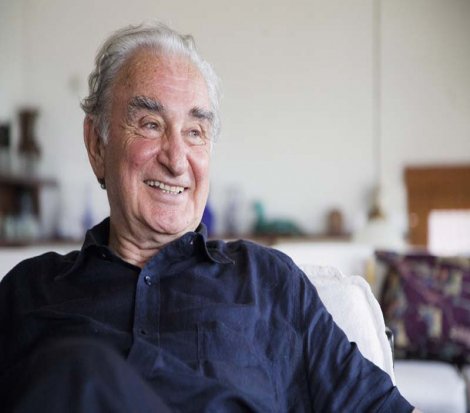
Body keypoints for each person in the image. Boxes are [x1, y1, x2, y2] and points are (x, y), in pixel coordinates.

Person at [0, 22, 416, 412]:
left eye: (195, 133)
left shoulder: (269, 283)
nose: (176, 160)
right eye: (150, 124)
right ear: (96, 144)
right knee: (79, 372)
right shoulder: (28, 293)